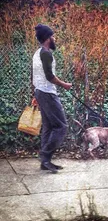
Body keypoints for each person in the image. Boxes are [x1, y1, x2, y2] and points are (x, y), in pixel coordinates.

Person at [31, 24, 72, 173]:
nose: (54, 38)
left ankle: (45, 162)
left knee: (48, 126)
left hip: (40, 91)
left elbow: (33, 75)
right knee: (61, 126)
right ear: (48, 38)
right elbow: (49, 76)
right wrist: (64, 85)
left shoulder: (37, 53)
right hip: (47, 92)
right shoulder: (46, 53)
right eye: (53, 36)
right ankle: (45, 155)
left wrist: (34, 94)